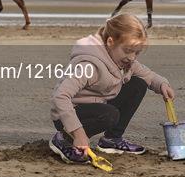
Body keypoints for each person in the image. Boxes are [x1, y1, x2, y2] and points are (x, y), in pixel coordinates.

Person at [50, 13, 176, 164]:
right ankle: (63, 138)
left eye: (137, 52)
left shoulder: (124, 61)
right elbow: (61, 96)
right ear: (110, 42)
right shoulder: (89, 66)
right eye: (128, 50)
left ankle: (112, 140)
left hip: (99, 107)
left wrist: (162, 84)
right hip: (69, 114)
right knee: (110, 114)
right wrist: (78, 133)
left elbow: (147, 74)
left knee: (138, 84)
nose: (132, 57)